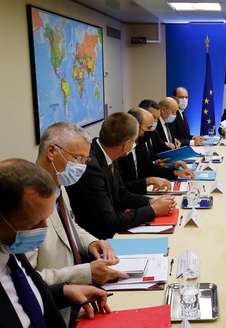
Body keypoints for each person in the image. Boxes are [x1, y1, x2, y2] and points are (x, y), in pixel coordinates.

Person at [25, 122, 126, 325]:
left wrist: (92, 242)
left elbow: (71, 226)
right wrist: (86, 272)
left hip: (79, 299)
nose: (81, 166)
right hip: (54, 309)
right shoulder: (26, 202)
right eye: (77, 158)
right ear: (52, 151)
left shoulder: (59, 186)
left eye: (85, 160)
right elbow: (28, 280)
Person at [0, 159, 111, 328]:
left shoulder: (10, 253)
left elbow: (27, 289)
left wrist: (65, 292)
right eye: (33, 224)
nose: (44, 228)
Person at [65, 112, 177, 239]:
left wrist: (152, 201)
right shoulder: (91, 167)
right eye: (134, 141)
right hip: (99, 240)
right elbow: (109, 221)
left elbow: (121, 194)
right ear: (127, 144)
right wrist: (153, 210)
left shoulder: (108, 152)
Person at [118, 107, 194, 194]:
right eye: (149, 127)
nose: (151, 131)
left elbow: (150, 169)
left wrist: (176, 172)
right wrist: (148, 182)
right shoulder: (122, 150)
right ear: (136, 128)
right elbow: (121, 188)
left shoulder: (140, 144)